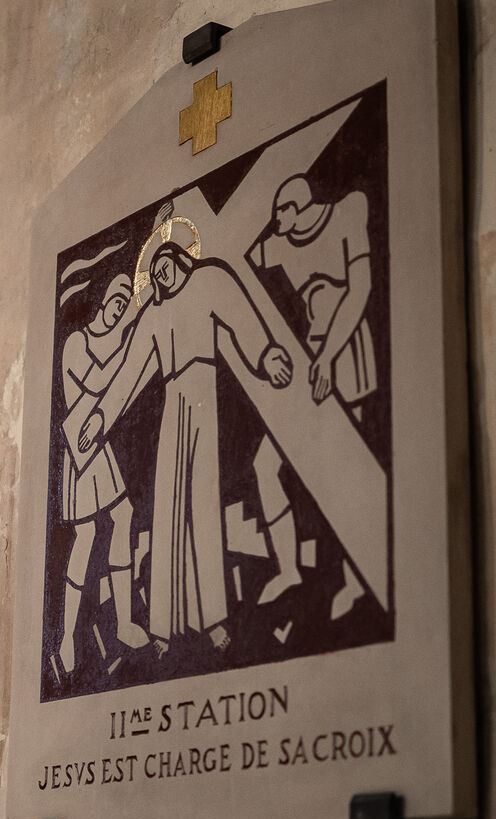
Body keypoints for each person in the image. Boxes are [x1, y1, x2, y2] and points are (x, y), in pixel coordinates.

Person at [79, 241, 292, 654]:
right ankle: (162, 627)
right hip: (173, 401)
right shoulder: (154, 314)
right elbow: (129, 374)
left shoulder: (210, 279)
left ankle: (214, 618)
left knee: (204, 507)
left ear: (181, 259)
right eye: (155, 271)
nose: (161, 274)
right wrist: (101, 417)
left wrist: (267, 355)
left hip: (203, 394)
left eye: (166, 264)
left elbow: (242, 318)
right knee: (167, 512)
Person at [248, 175, 374, 616]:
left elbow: (360, 289)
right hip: (311, 356)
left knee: (347, 467)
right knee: (265, 465)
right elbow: (239, 253)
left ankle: (357, 578)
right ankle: (289, 568)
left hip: (345, 349)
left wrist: (329, 356)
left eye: (280, 211)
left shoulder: (348, 212)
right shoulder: (282, 245)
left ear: (297, 207)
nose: (274, 220)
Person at [55, 273, 150, 675]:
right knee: (87, 533)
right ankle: (66, 640)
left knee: (123, 515)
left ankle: (124, 622)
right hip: (80, 450)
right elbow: (96, 380)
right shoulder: (76, 342)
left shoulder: (112, 340)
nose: (120, 309)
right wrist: (132, 329)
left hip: (99, 442)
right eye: (117, 301)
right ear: (103, 300)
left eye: (126, 303)